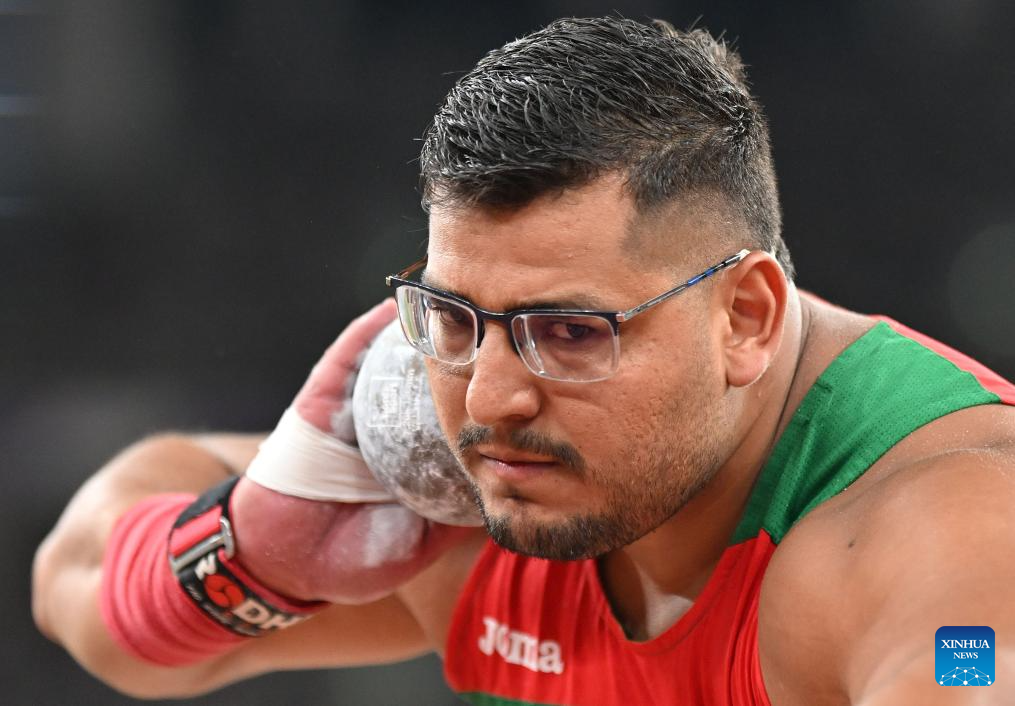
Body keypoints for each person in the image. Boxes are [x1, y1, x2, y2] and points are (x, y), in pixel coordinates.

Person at [32, 16, 1015, 705]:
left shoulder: (942, 526)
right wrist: (243, 555)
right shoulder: (475, 499)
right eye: (456, 319)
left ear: (744, 319)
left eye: (571, 332)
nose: (491, 399)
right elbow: (73, 582)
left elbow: (974, 668)